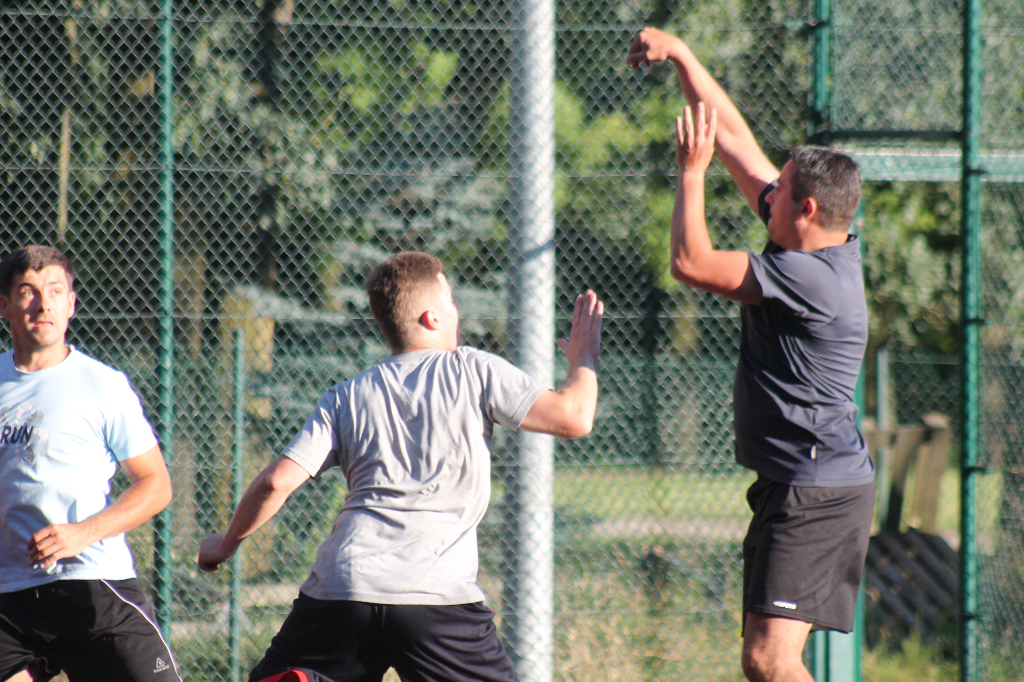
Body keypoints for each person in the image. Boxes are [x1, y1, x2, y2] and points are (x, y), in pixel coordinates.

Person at [198, 251, 603, 682]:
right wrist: (583, 357)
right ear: (431, 317)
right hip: (434, 596)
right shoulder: (472, 370)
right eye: (450, 300)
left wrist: (226, 543)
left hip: (344, 586)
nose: (456, 309)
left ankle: (310, 678)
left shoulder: (346, 395)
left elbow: (277, 481)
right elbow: (574, 417)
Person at [627, 28, 875, 682]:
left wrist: (689, 173)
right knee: (764, 661)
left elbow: (691, 262)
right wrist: (681, 54)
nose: (768, 188)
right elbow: (734, 136)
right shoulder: (816, 240)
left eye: (781, 186)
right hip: (801, 482)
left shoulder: (811, 279)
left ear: (808, 209)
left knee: (770, 661)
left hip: (814, 490)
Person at [0, 245, 178, 682]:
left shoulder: (102, 385)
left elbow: (156, 484)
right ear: (4, 305)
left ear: (71, 304)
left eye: (56, 291)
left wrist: (83, 533)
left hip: (92, 585)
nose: (44, 304)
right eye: (28, 291)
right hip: (9, 597)